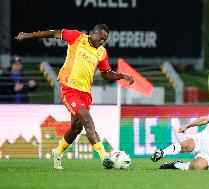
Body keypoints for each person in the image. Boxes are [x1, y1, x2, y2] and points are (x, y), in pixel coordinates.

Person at [15, 24, 134, 170]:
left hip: (85, 93)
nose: (102, 42)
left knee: (76, 127)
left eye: (105, 40)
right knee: (87, 120)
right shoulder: (76, 37)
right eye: (101, 38)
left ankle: (57, 152)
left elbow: (106, 74)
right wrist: (27, 35)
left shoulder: (102, 52)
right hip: (69, 89)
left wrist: (122, 75)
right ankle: (105, 157)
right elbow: (52, 33)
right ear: (93, 34)